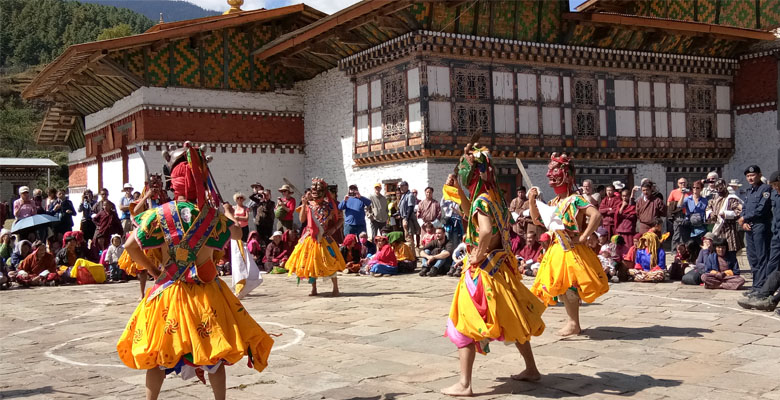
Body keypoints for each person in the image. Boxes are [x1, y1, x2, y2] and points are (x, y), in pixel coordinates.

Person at [116, 142, 274, 399]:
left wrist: (155, 272)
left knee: (157, 355)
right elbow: (237, 233)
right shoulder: (212, 216)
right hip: (206, 293)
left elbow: (130, 245)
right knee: (214, 355)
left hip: (169, 292)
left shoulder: (159, 214)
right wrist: (227, 211)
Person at [442, 143, 545, 397]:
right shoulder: (495, 198)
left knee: (464, 324)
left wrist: (476, 253)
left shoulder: (483, 201)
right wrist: (458, 193)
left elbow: (485, 230)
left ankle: (464, 384)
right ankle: (531, 369)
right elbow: (474, 215)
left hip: (483, 273)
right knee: (513, 319)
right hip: (500, 271)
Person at [529, 153, 608, 337]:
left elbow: (596, 216)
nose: (550, 175)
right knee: (562, 289)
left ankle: (574, 323)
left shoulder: (575, 199)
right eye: (550, 171)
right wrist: (532, 201)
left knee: (571, 287)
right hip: (556, 249)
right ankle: (572, 322)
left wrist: (584, 237)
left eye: (554, 170)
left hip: (572, 249)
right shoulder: (554, 202)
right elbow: (537, 220)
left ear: (565, 174)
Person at [285, 178, 345, 296]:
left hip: (324, 237)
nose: (316, 196)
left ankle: (335, 287)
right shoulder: (308, 205)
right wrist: (303, 205)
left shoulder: (330, 207)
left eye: (318, 193)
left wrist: (333, 229)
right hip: (310, 238)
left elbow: (341, 219)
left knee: (330, 261)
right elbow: (302, 219)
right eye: (314, 193)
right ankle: (314, 288)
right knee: (310, 263)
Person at [739, 165, 773, 293]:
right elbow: (745, 207)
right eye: (748, 176)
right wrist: (743, 221)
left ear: (759, 175)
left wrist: (745, 218)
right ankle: (755, 285)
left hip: (760, 226)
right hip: (749, 226)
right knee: (752, 257)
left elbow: (761, 209)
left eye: (752, 175)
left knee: (761, 256)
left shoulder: (765, 189)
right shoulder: (749, 191)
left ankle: (761, 286)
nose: (750, 178)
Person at [706, 179, 744, 256]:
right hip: (717, 228)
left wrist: (726, 214)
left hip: (729, 229)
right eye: (717, 188)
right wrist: (711, 214)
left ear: (725, 186)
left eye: (721, 187)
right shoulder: (714, 198)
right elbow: (708, 208)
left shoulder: (731, 198)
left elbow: (738, 212)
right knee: (718, 251)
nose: (719, 189)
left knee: (730, 252)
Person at [629, 218, 667, 283]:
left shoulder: (660, 251)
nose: (645, 243)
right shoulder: (640, 251)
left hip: (654, 272)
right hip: (643, 271)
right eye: (644, 241)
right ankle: (647, 278)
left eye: (647, 241)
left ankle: (647, 278)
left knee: (660, 274)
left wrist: (651, 272)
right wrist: (641, 270)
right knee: (632, 271)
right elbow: (637, 262)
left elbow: (661, 265)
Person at [679, 180, 708, 245]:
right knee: (689, 245)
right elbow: (679, 206)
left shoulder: (704, 200)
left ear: (701, 189)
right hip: (689, 225)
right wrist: (683, 195)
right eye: (694, 187)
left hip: (700, 226)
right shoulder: (688, 199)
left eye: (697, 188)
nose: (695, 189)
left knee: (700, 244)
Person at [441, 174, 464, 244]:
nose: (451, 181)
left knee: (456, 237)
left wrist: (457, 210)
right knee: (447, 236)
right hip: (448, 219)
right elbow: (442, 204)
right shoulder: (446, 191)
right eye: (449, 179)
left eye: (452, 180)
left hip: (456, 219)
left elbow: (462, 204)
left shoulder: (458, 191)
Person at [667, 177, 690, 246]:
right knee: (677, 233)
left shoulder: (690, 192)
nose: (682, 184)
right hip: (678, 215)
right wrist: (677, 203)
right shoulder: (674, 192)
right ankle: (674, 251)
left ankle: (685, 249)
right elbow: (668, 203)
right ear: (678, 184)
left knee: (686, 233)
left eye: (684, 183)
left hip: (687, 214)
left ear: (687, 183)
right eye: (681, 183)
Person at [398, 182, 420, 247]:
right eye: (400, 186)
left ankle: (413, 254)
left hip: (408, 218)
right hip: (404, 217)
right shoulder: (403, 195)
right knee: (407, 236)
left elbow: (410, 208)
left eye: (402, 186)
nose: (401, 188)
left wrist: (406, 219)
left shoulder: (410, 195)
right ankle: (411, 253)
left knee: (409, 236)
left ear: (407, 186)